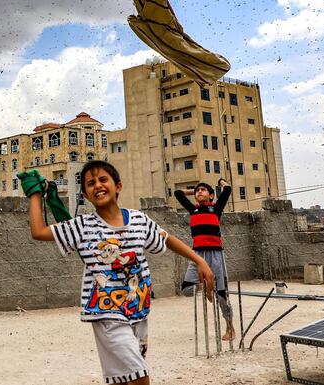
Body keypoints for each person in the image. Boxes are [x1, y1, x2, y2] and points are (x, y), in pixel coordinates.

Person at [21, 160, 214, 385]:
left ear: (118, 186)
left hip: (137, 310)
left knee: (122, 379)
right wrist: (35, 193)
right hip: (105, 312)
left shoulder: (139, 220)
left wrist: (199, 260)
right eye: (90, 183)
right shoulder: (82, 226)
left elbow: (167, 239)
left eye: (103, 179)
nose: (98, 185)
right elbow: (39, 231)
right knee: (140, 375)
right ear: (85, 194)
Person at [174, 178, 235, 341]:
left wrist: (220, 181)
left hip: (216, 254)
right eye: (197, 191)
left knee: (222, 295)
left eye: (203, 190)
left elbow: (227, 189)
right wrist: (195, 189)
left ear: (212, 195)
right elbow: (177, 193)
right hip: (197, 255)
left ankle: (230, 327)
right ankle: (207, 285)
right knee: (187, 289)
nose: (199, 192)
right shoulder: (192, 209)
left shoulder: (216, 209)